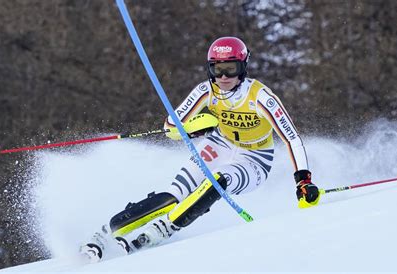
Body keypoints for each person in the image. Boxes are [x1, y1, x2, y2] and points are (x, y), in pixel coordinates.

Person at [80, 36, 320, 262]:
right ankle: (103, 234)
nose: (224, 77)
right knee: (173, 195)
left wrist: (303, 180)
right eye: (218, 69)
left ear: (243, 67)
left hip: (254, 159)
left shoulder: (260, 97)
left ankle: (162, 229)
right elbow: (171, 128)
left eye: (231, 69)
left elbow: (291, 139)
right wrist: (193, 127)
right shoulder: (205, 91)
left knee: (218, 181)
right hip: (218, 145)